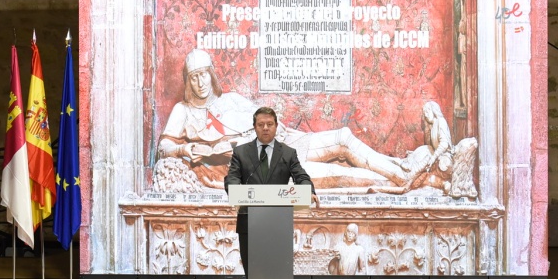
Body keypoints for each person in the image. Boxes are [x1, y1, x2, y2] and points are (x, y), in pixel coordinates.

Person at [159, 49, 415, 189]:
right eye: (194, 77)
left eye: (203, 75)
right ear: (188, 81)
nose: (200, 82)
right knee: (335, 173)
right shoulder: (183, 111)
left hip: (283, 145)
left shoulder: (232, 99)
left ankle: (400, 170)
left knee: (342, 138)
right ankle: (399, 183)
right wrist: (185, 148)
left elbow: (266, 121)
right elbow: (164, 147)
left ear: (211, 76)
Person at [225, 106, 318, 272]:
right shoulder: (241, 152)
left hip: (278, 221)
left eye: (269, 124)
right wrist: (235, 191)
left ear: (276, 126)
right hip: (249, 221)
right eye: (261, 124)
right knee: (254, 274)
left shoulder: (288, 153)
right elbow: (232, 178)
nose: (265, 128)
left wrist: (308, 191)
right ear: (255, 127)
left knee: (276, 274)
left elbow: (301, 177)